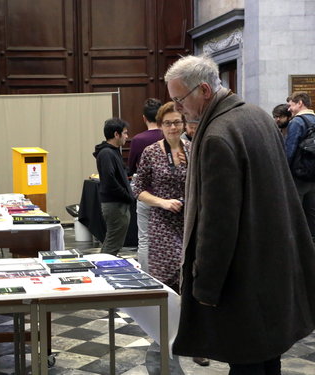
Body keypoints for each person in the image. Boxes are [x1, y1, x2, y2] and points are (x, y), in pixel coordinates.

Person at [165, 55, 315, 374]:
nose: (177, 108)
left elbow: (217, 222)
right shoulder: (256, 115)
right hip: (271, 264)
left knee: (246, 362)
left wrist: (205, 285)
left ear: (204, 90)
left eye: (179, 99)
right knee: (266, 357)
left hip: (241, 276)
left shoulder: (219, 134)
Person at [132, 101, 188, 290]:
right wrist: (162, 202)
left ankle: (186, 317)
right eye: (168, 123)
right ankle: (165, 317)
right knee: (167, 272)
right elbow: (138, 190)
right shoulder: (152, 152)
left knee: (188, 274)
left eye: (177, 122)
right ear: (160, 125)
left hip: (189, 219)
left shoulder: (192, 149)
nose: (173, 127)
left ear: (183, 123)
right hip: (163, 222)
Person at [127, 98, 163, 271]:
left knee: (145, 238)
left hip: (145, 194)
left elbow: (131, 165)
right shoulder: (168, 137)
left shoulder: (138, 140)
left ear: (144, 118)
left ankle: (148, 276)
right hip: (167, 195)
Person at [93, 118, 133, 256]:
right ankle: (104, 268)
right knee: (112, 243)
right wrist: (127, 195)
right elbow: (110, 181)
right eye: (125, 133)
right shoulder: (106, 153)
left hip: (118, 203)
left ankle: (105, 265)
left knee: (114, 242)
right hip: (115, 204)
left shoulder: (112, 151)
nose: (127, 137)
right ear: (117, 134)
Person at [285, 92, 315, 241]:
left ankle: (297, 245)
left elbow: (289, 150)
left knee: (294, 212)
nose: (289, 109)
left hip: (299, 176)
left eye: (291, 105)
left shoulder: (297, 122)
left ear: (300, 103)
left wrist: (283, 172)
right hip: (313, 176)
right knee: (312, 214)